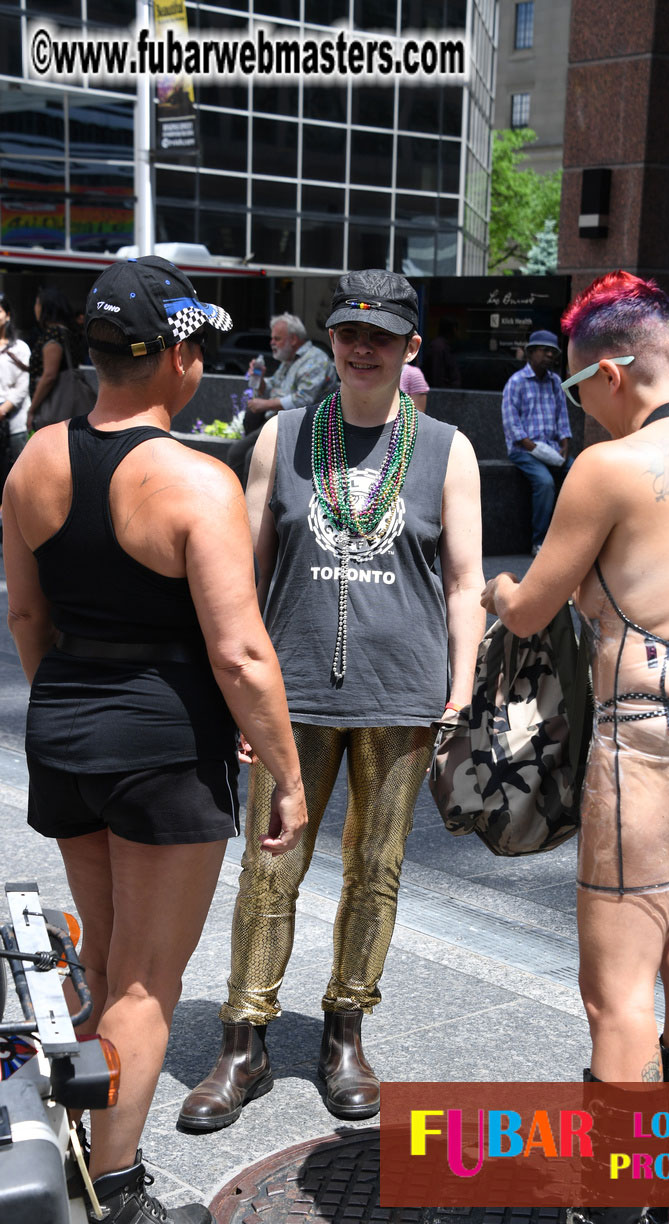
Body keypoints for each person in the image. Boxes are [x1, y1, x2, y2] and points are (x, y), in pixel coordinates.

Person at [2, 256, 307, 1224]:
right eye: (200, 345)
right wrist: (289, 774)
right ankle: (121, 1191)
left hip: (66, 732)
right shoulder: (193, 479)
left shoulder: (32, 461)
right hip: (165, 746)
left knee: (106, 967)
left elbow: (22, 614)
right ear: (176, 355)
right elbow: (243, 654)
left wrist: (69, 703)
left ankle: (91, 1162)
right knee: (146, 977)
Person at [179, 268, 484, 1132]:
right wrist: (237, 697)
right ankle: (244, 1038)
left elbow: (465, 585)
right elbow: (244, 572)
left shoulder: (446, 450)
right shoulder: (283, 436)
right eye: (348, 331)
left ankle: (345, 1031)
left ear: (409, 349)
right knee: (271, 863)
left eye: (380, 336)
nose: (360, 347)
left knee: (376, 870)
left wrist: (457, 699)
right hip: (294, 688)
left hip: (404, 694)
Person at [482, 271, 669, 1086]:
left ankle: (613, 1199)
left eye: (576, 387)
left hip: (648, 736)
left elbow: (532, 610)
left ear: (608, 372)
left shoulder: (607, 467)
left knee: (615, 995)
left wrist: (499, 591)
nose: (577, 405)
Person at [226, 312, 338, 485]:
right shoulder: (289, 361)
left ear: (293, 339)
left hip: (303, 426)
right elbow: (272, 388)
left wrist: (265, 405)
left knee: (246, 455)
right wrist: (260, 378)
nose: (272, 343)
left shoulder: (315, 359)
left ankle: (247, 503)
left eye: (277, 339)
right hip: (279, 420)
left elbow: (303, 400)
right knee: (246, 442)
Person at [501, 328, 572, 555]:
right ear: (531, 353)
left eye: (553, 352)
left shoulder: (555, 382)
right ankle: (539, 541)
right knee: (544, 482)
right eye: (544, 350)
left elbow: (563, 417)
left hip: (552, 448)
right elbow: (512, 424)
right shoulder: (516, 382)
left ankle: (573, 537)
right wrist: (534, 448)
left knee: (579, 473)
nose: (550, 356)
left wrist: (564, 445)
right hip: (524, 450)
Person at [26, 286, 84, 432]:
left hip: (52, 406)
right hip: (67, 406)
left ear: (46, 307)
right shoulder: (68, 332)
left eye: (37, 303)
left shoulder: (53, 333)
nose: (35, 308)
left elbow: (49, 375)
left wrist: (32, 409)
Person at [0, 293, 31, 495]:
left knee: (14, 478)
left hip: (14, 423)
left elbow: (22, 386)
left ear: (8, 315)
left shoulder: (20, 348)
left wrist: (3, 410)